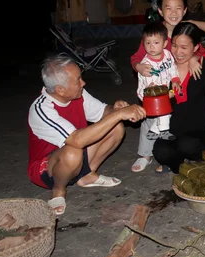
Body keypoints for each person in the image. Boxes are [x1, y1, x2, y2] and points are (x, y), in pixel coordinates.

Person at [27, 53, 146, 216]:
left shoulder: (78, 94)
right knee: (72, 151)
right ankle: (58, 191)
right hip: (47, 168)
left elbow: (103, 111)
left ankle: (87, 176)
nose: (83, 83)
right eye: (77, 80)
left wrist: (117, 109)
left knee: (116, 127)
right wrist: (119, 115)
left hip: (77, 151)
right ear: (60, 90)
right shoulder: (42, 109)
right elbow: (77, 140)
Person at [151, 20, 205, 173]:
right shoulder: (165, 69)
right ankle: (181, 165)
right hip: (173, 134)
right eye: (174, 46)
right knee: (159, 150)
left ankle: (193, 158)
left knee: (187, 145)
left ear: (196, 47)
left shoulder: (202, 66)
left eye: (184, 47)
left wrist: (187, 21)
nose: (178, 52)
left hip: (200, 134)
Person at [132, 21, 182, 173]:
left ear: (165, 43)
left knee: (165, 122)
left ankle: (163, 148)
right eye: (147, 43)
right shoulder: (146, 65)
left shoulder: (167, 55)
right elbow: (141, 88)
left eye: (156, 42)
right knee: (148, 124)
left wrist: (175, 81)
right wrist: (147, 94)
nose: (151, 46)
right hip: (151, 102)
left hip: (167, 97)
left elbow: (173, 68)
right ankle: (145, 155)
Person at [131, 0, 205, 80]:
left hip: (184, 83)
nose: (174, 13)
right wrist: (139, 67)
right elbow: (136, 58)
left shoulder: (187, 31)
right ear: (160, 11)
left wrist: (194, 58)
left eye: (178, 8)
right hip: (160, 83)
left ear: (184, 11)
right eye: (169, 8)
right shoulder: (154, 34)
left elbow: (202, 51)